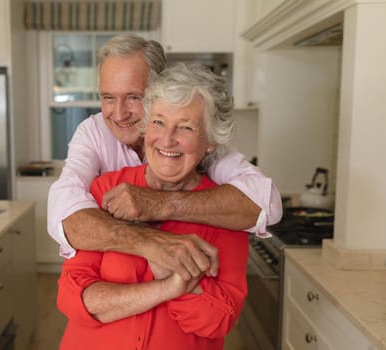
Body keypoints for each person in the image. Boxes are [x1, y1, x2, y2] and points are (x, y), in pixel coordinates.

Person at [48, 34, 282, 279]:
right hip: (118, 282)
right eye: (108, 97)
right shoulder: (93, 133)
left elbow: (267, 204)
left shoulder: (193, 138)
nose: (119, 113)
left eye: (133, 97)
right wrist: (151, 243)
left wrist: (159, 203)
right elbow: (63, 212)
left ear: (158, 92)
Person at [57, 63, 249, 349]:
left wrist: (168, 272)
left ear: (209, 141)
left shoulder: (225, 210)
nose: (168, 139)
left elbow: (218, 320)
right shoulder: (104, 190)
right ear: (145, 127)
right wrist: (171, 284)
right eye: (158, 122)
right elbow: (74, 299)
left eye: (185, 127)